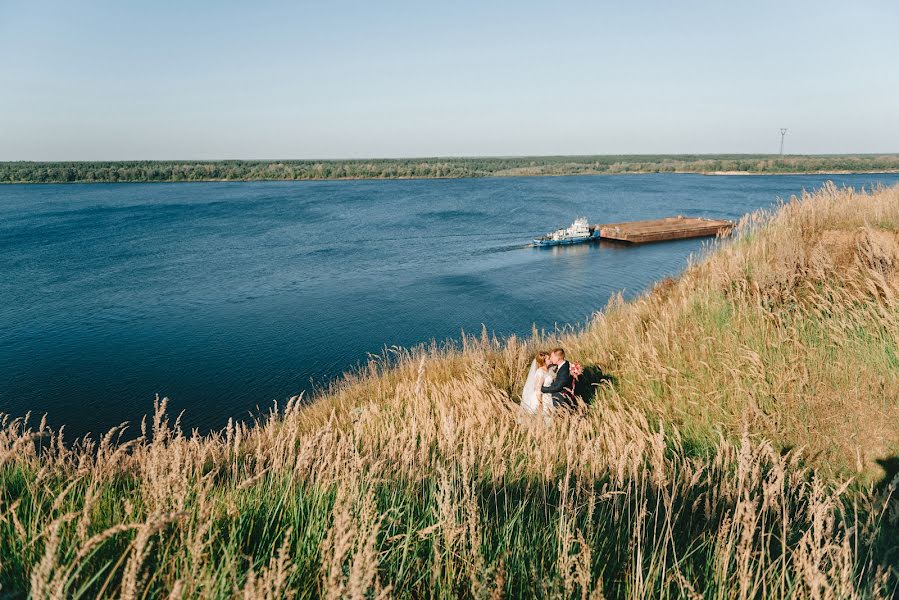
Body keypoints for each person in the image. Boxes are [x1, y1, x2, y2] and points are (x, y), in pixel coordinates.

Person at [520, 351, 552, 416]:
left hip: (548, 396)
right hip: (542, 398)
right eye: (548, 359)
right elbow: (538, 389)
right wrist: (540, 403)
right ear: (544, 361)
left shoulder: (549, 369)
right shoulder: (540, 372)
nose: (550, 359)